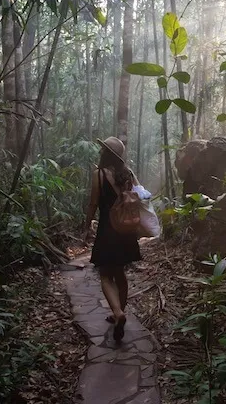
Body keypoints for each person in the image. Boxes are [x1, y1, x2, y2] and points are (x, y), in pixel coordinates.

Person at [83, 136, 142, 343]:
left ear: (105, 153)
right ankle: (119, 312)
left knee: (106, 275)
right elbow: (139, 196)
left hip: (108, 230)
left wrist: (86, 225)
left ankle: (117, 313)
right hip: (126, 230)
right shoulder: (128, 175)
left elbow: (93, 204)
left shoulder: (98, 175)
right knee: (121, 274)